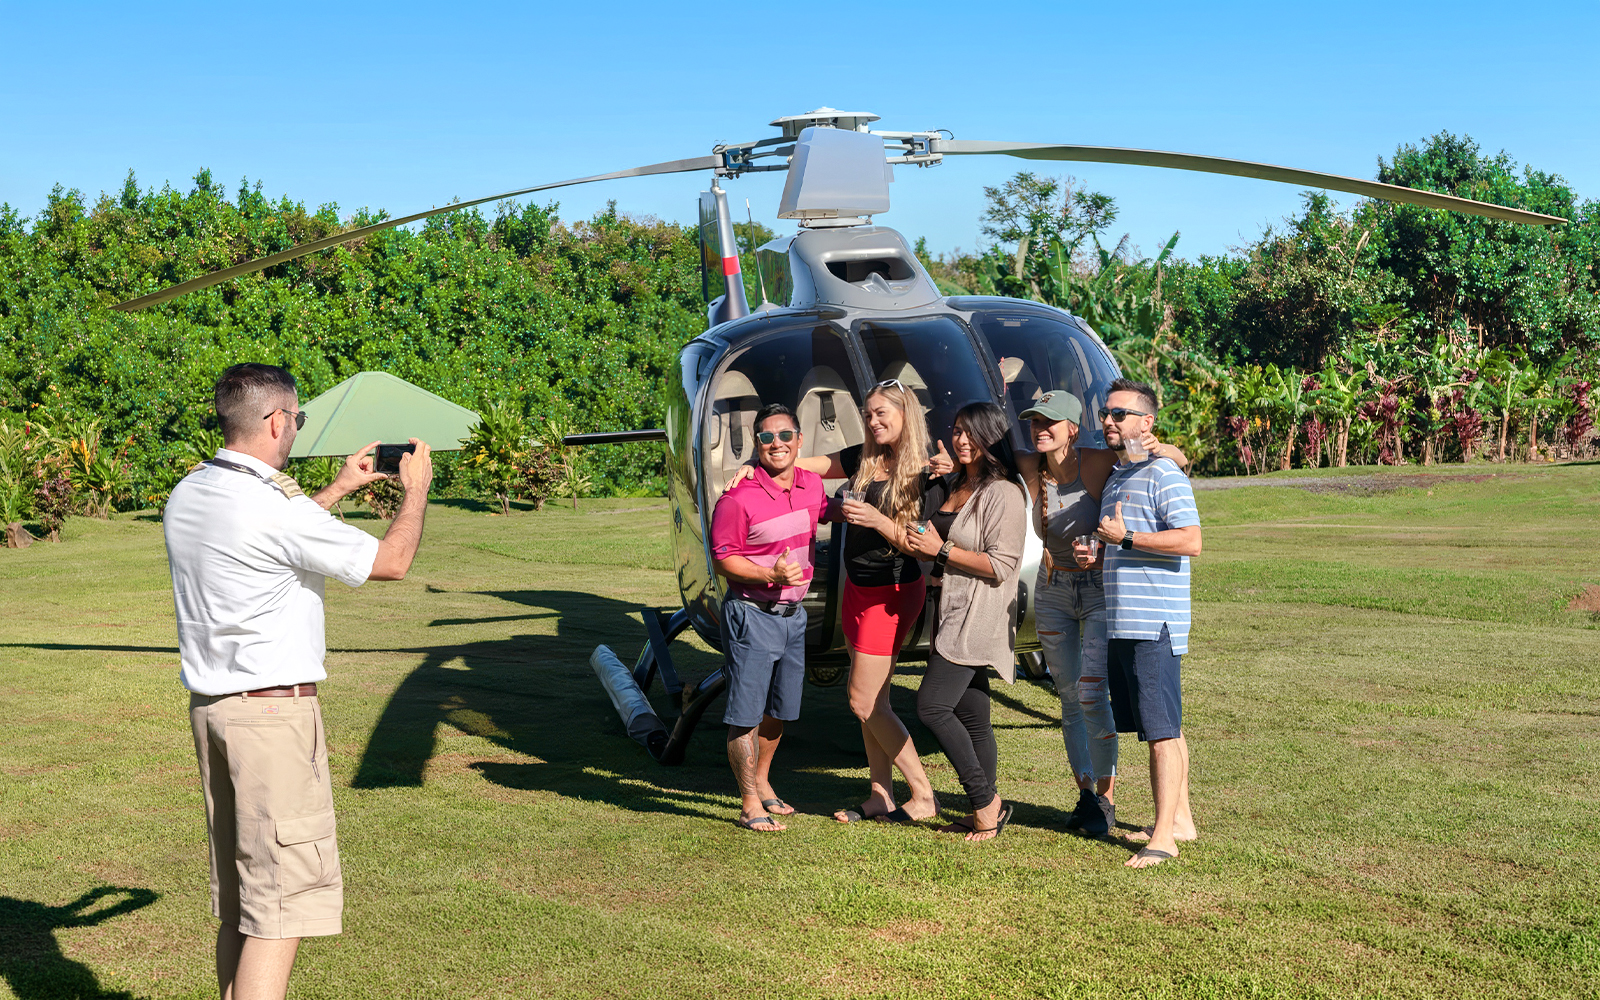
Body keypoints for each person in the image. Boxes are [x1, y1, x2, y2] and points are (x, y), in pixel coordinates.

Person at [163, 363, 433, 1000]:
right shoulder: (273, 507)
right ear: (277, 420)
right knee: (280, 905)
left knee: (243, 901)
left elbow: (269, 542)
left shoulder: (192, 491)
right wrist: (415, 489)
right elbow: (390, 562)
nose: (296, 429)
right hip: (271, 721)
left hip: (215, 710)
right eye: (297, 419)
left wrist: (337, 490)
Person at [723, 380, 951, 824]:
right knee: (876, 701)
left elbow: (923, 547)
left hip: (892, 592)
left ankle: (922, 795)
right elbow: (797, 459)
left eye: (882, 412)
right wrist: (754, 463)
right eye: (868, 413)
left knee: (863, 701)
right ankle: (880, 794)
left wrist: (878, 521)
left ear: (906, 414)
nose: (873, 420)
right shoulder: (863, 456)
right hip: (859, 589)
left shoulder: (926, 472)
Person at [1020, 390, 1190, 837]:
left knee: (1094, 693)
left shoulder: (1098, 463)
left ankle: (1106, 798)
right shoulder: (1030, 467)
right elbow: (977, 453)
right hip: (1053, 588)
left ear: (1071, 429)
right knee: (1069, 698)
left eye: (1049, 422)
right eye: (1034, 422)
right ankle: (1085, 794)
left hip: (1099, 591)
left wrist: (1166, 448)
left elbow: (1166, 457)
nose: (1040, 429)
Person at [905, 401, 1028, 842]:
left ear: (993, 438)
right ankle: (986, 811)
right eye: (956, 430)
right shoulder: (958, 482)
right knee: (972, 714)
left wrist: (939, 551)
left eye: (971, 432)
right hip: (947, 606)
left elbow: (1000, 565)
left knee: (932, 706)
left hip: (979, 613)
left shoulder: (1004, 493)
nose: (960, 439)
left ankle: (984, 800)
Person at [1093, 377, 1202, 868]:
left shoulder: (1164, 474)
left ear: (1146, 422)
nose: (1109, 421)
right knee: (1163, 726)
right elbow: (1121, 540)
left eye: (1120, 414)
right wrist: (1098, 550)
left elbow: (1191, 541)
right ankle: (1180, 819)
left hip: (1154, 622)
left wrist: (1128, 537)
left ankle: (1163, 838)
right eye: (1106, 413)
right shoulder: (1117, 477)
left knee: (1161, 731)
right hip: (1123, 622)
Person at [708, 403, 831, 832]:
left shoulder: (812, 486)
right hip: (752, 614)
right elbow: (723, 559)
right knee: (745, 713)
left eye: (784, 436)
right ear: (756, 444)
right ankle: (747, 805)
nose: (775, 444)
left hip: (793, 615)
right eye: (766, 437)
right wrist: (769, 574)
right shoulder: (737, 498)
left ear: (799, 441)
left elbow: (831, 509)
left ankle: (762, 783)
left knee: (780, 709)